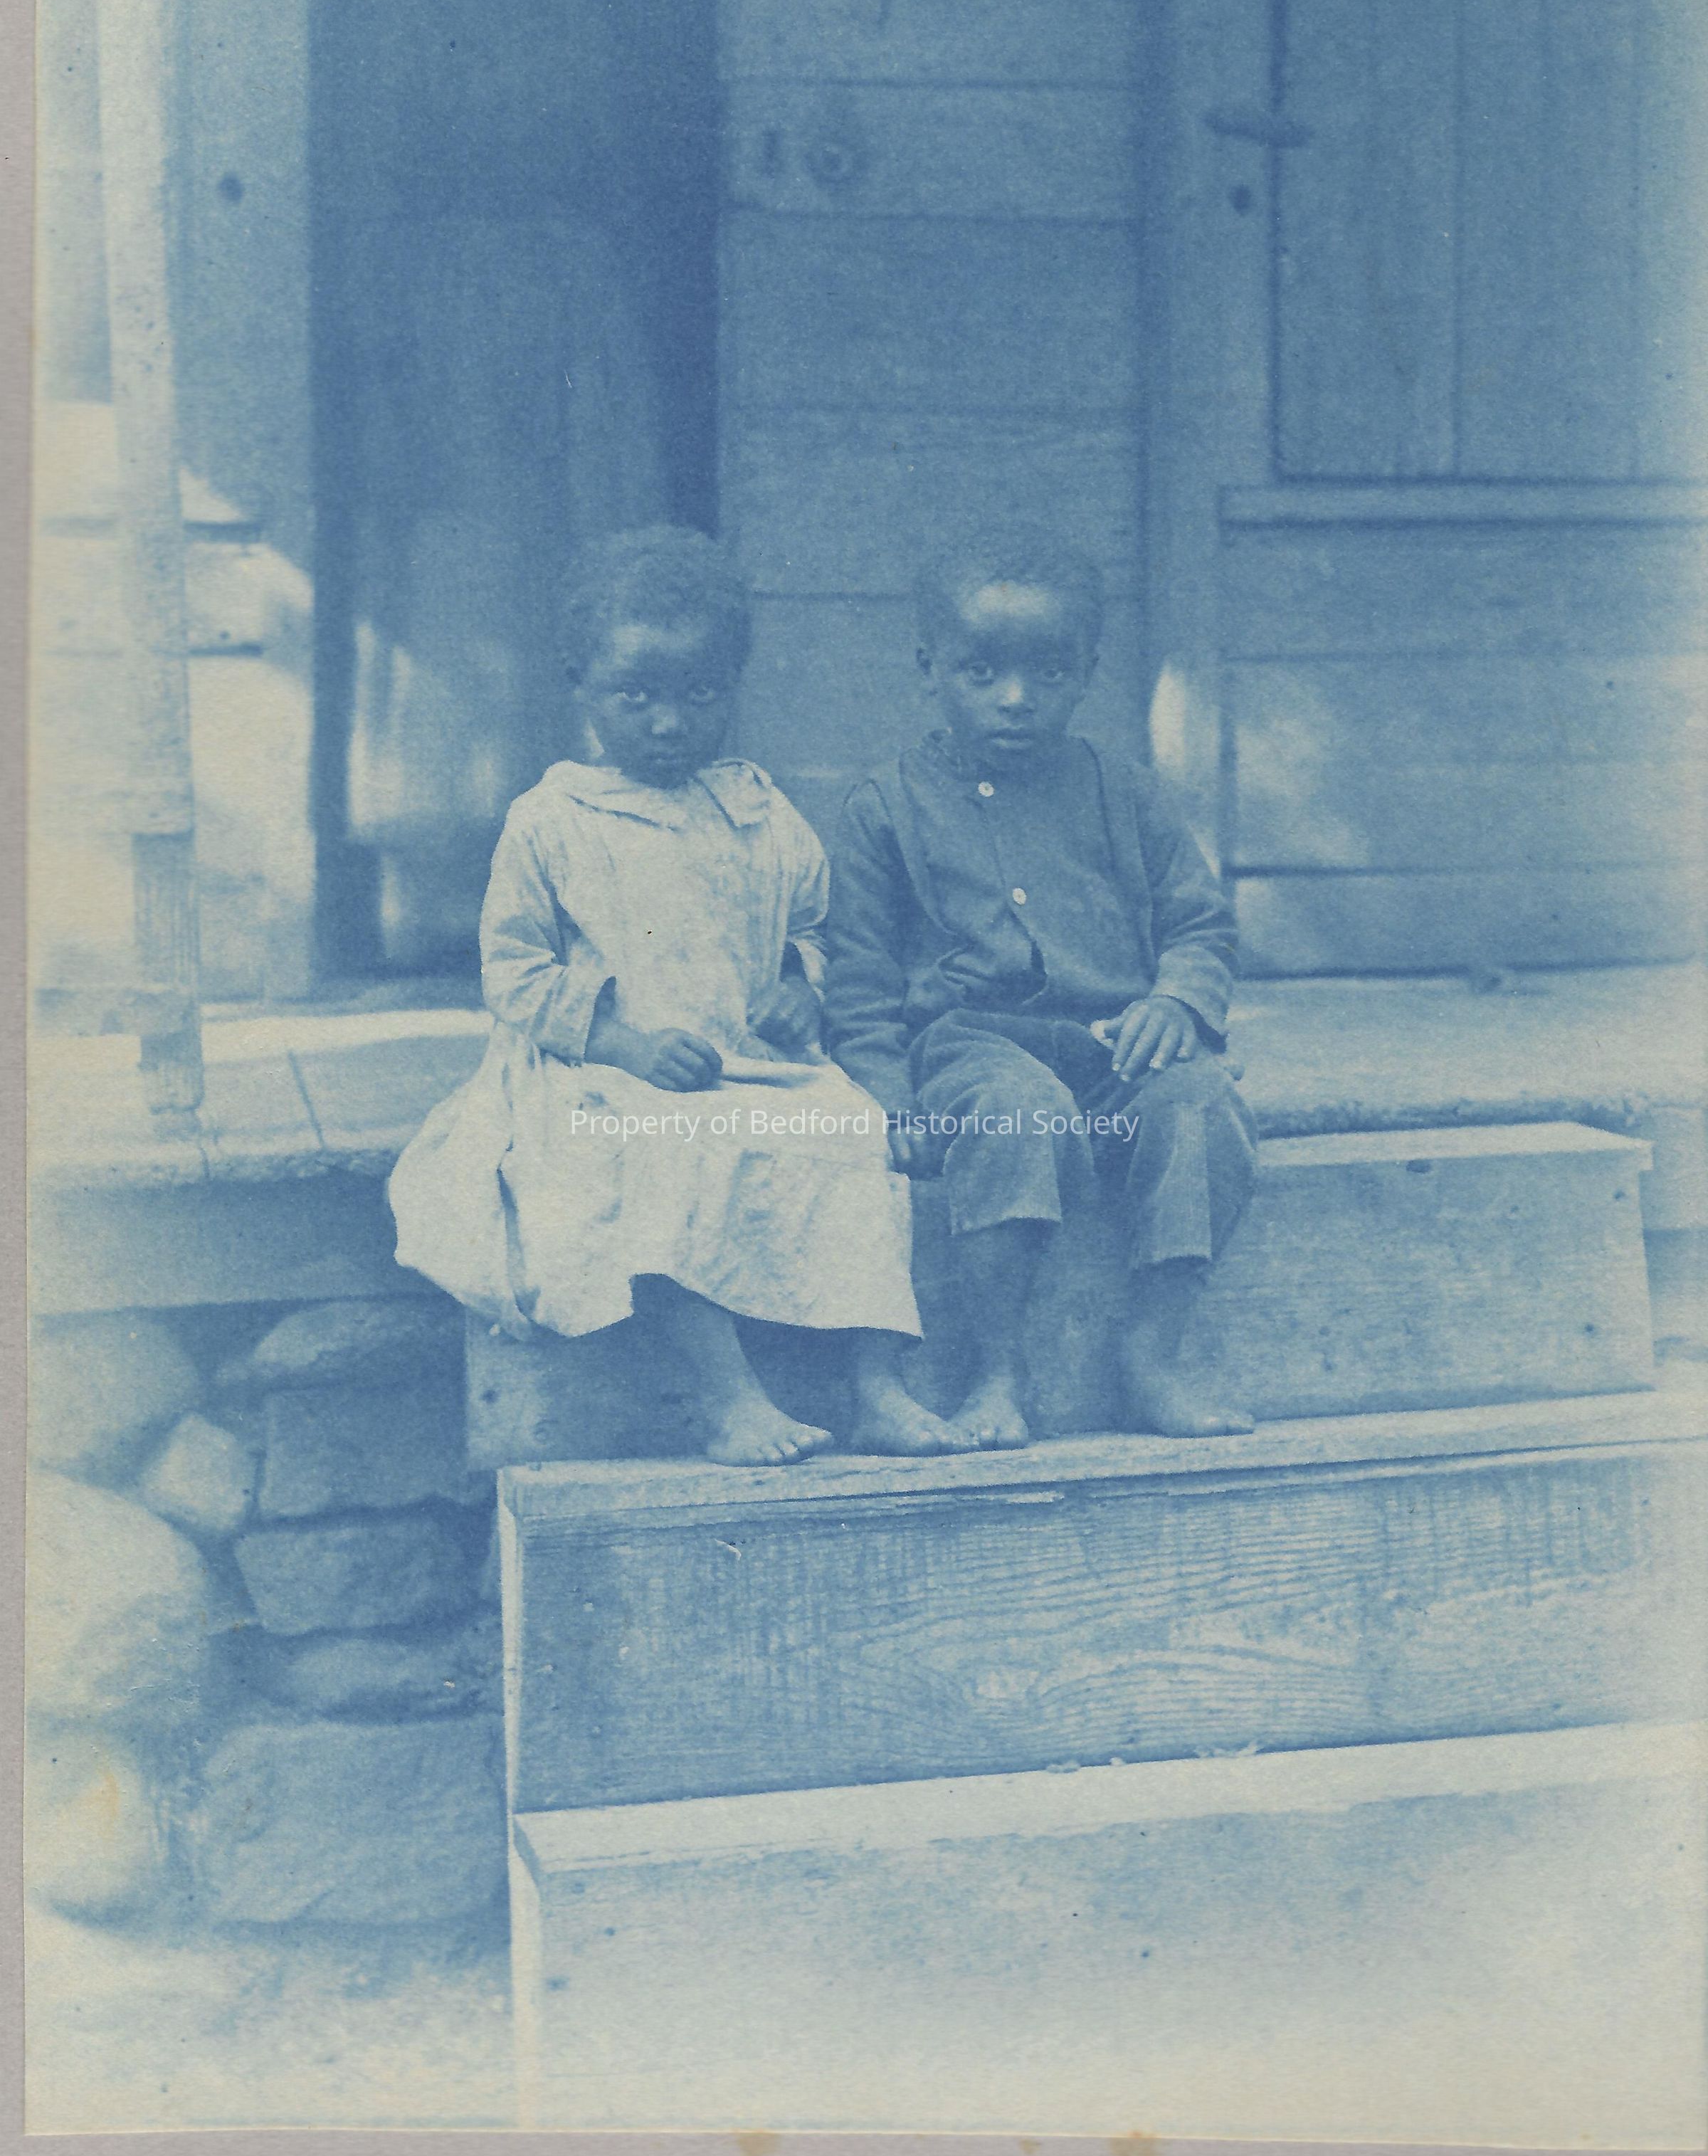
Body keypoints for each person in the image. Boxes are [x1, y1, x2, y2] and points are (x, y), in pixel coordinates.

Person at [389, 526, 966, 1466]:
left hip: (750, 1063)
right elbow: (516, 972)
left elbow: (815, 923)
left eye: (699, 696)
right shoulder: (552, 822)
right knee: (655, 1149)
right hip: (600, 1071)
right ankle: (729, 1397)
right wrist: (626, 1043)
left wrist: (799, 983)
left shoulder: (756, 811)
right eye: (637, 697)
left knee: (855, 1133)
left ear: (732, 688)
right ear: (580, 684)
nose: (669, 723)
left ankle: (876, 1385)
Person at [823, 527, 1259, 1450]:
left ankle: (1152, 1351)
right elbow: (859, 984)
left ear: (1088, 673)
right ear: (929, 668)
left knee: (1201, 1106)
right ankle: (998, 1370)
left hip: (1116, 1049)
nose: (1017, 698)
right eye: (981, 672)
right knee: (1017, 1113)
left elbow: (1200, 923)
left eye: (1049, 673)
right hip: (973, 1047)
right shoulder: (885, 808)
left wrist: (1177, 1001)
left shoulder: (1125, 792)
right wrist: (889, 1101)